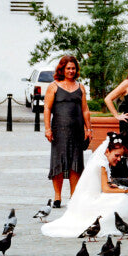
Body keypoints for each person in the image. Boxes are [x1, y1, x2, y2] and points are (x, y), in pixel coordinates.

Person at [41, 132, 128, 237]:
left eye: (120, 156)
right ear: (107, 151)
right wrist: (125, 190)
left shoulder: (104, 160)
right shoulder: (102, 163)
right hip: (92, 199)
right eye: (116, 155)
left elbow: (105, 183)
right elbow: (105, 189)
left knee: (125, 197)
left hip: (96, 194)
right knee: (123, 199)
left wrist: (115, 186)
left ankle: (126, 224)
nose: (118, 159)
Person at [43, 55, 92, 209]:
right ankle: (57, 197)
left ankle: (74, 196)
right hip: (59, 130)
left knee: (75, 163)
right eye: (68, 68)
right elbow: (47, 109)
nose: (71, 71)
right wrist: (47, 128)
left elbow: (85, 110)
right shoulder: (54, 86)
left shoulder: (81, 87)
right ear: (62, 69)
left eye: (73, 68)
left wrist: (88, 129)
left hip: (77, 130)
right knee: (58, 162)